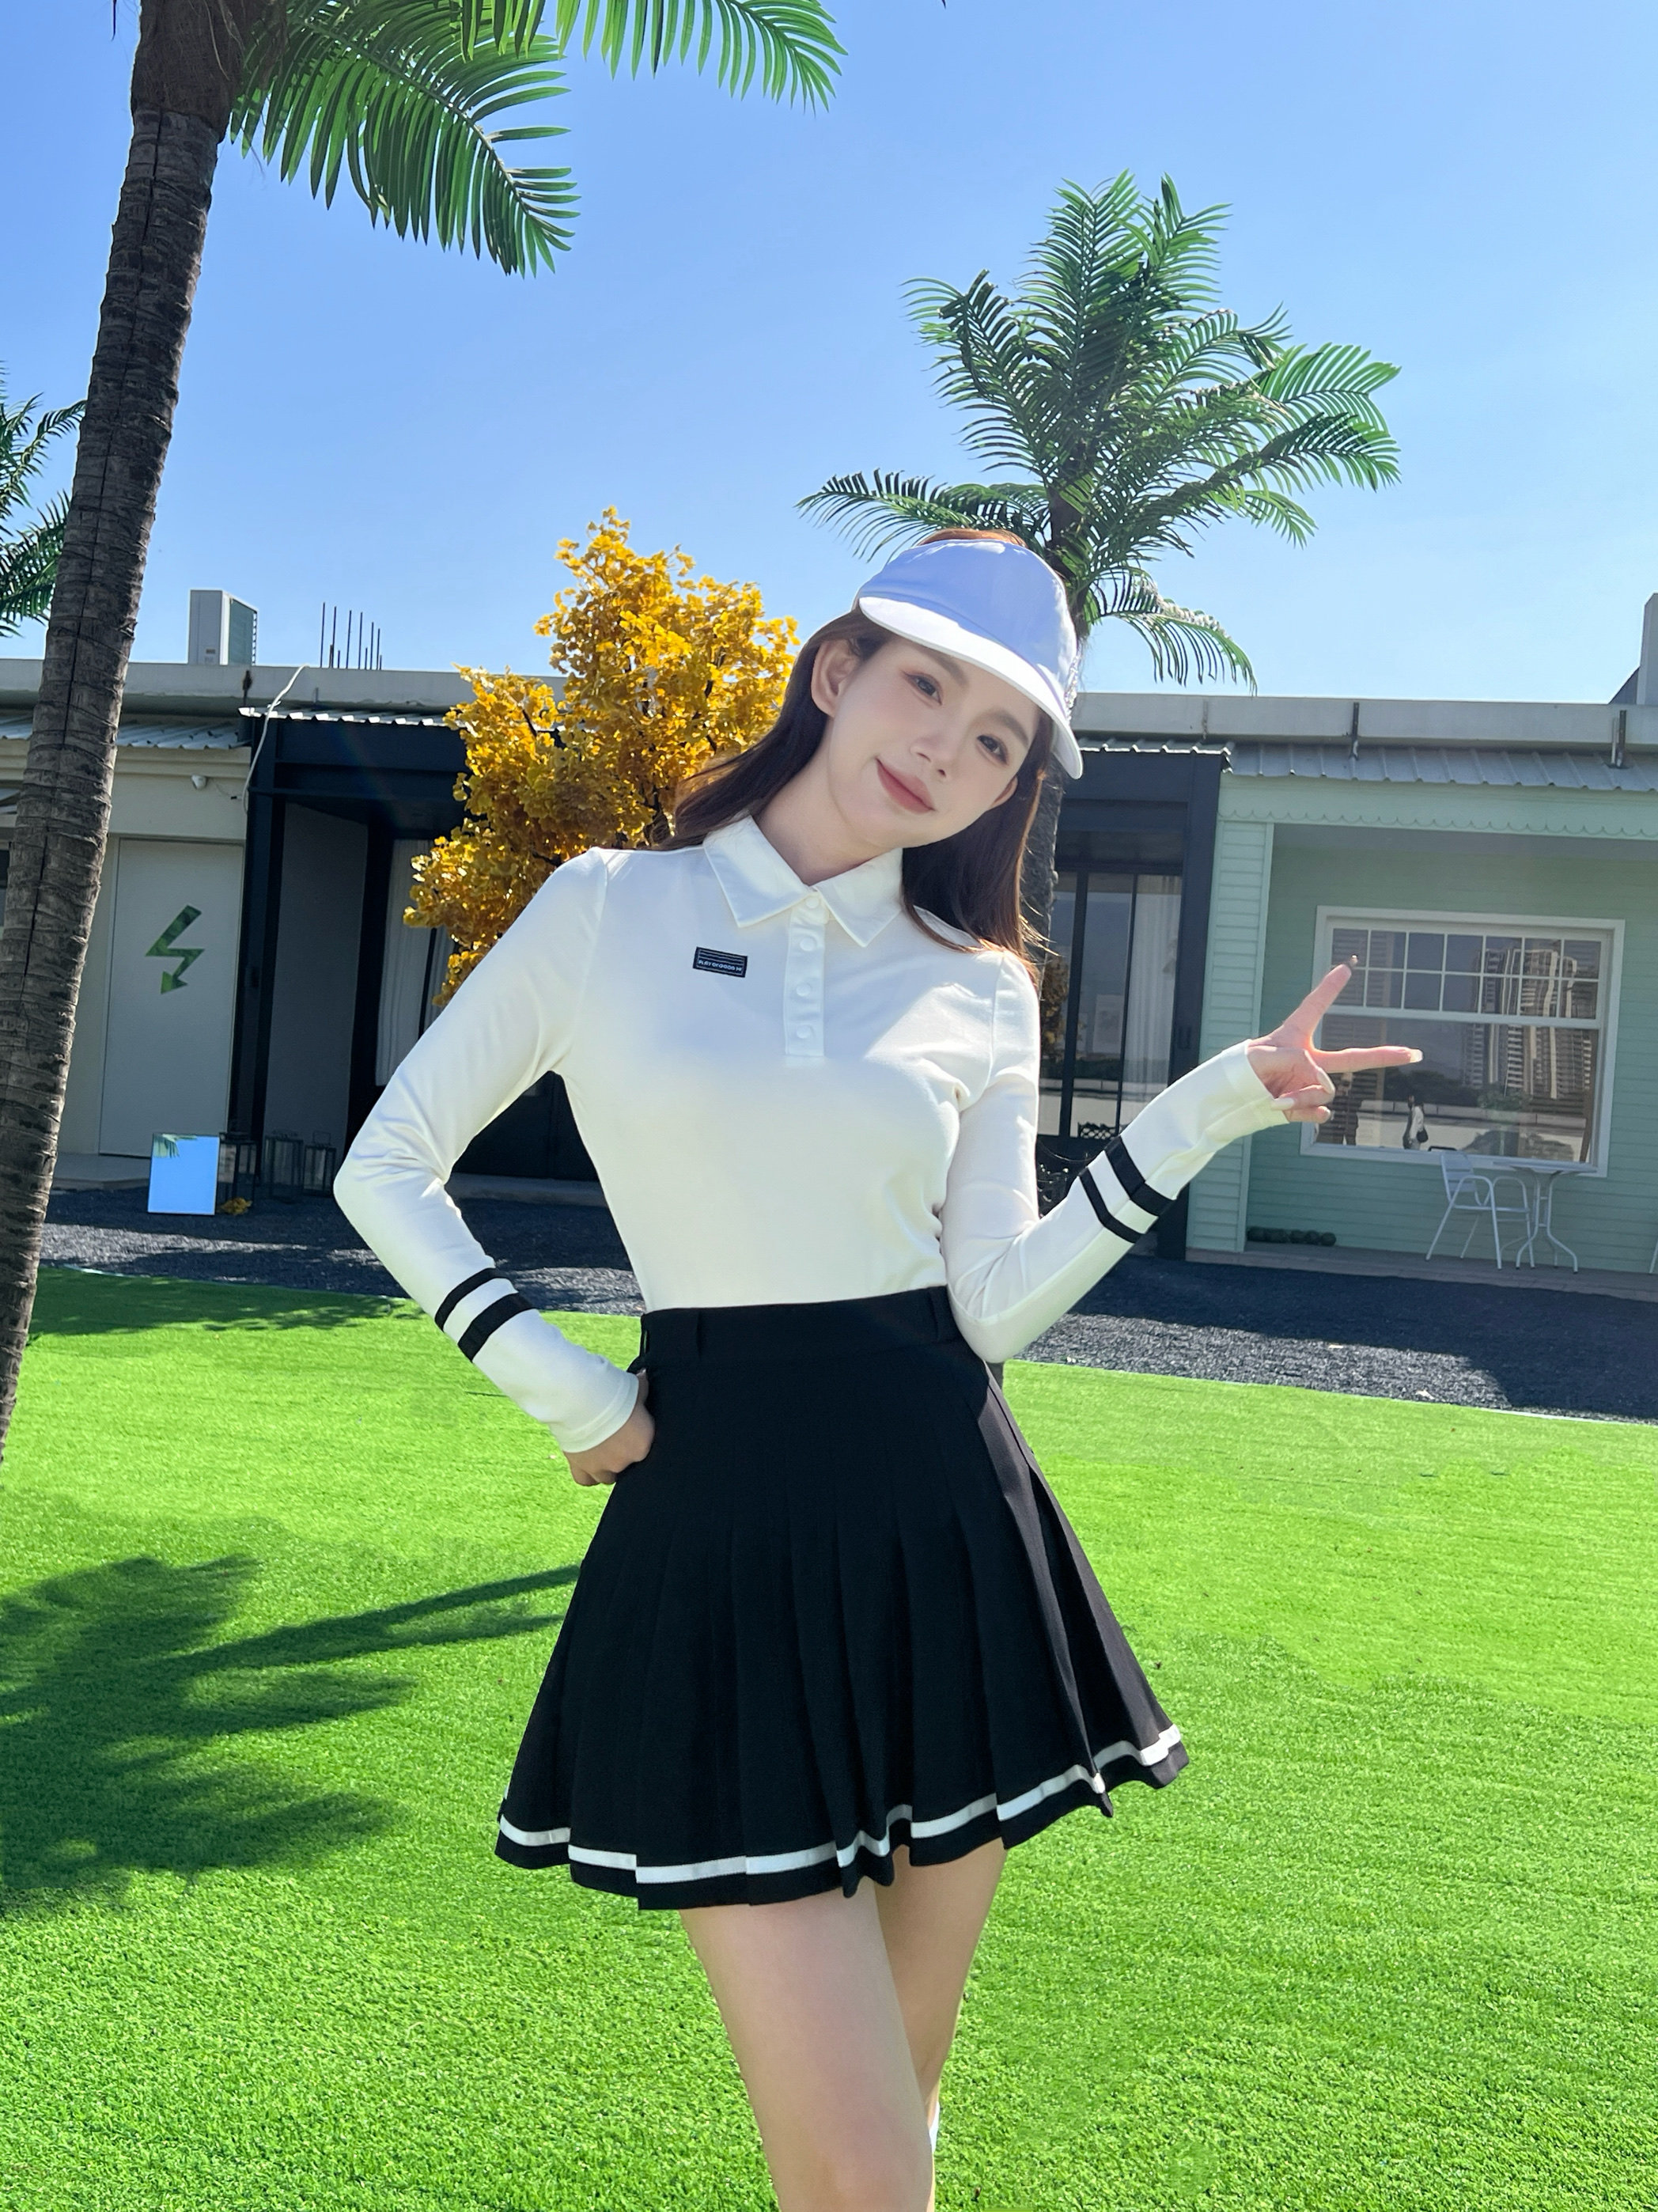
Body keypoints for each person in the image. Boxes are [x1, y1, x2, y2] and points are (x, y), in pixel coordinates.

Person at [335, 532, 1419, 2212]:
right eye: (925, 686)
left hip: (947, 1530)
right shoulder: (610, 907)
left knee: (895, 2127)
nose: (945, 749)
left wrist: (1207, 1109)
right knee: (857, 2166)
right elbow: (386, 1167)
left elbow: (992, 1306)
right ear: (836, 672)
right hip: (718, 1528)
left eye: (996, 739)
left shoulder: (981, 986)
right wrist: (575, 1392)